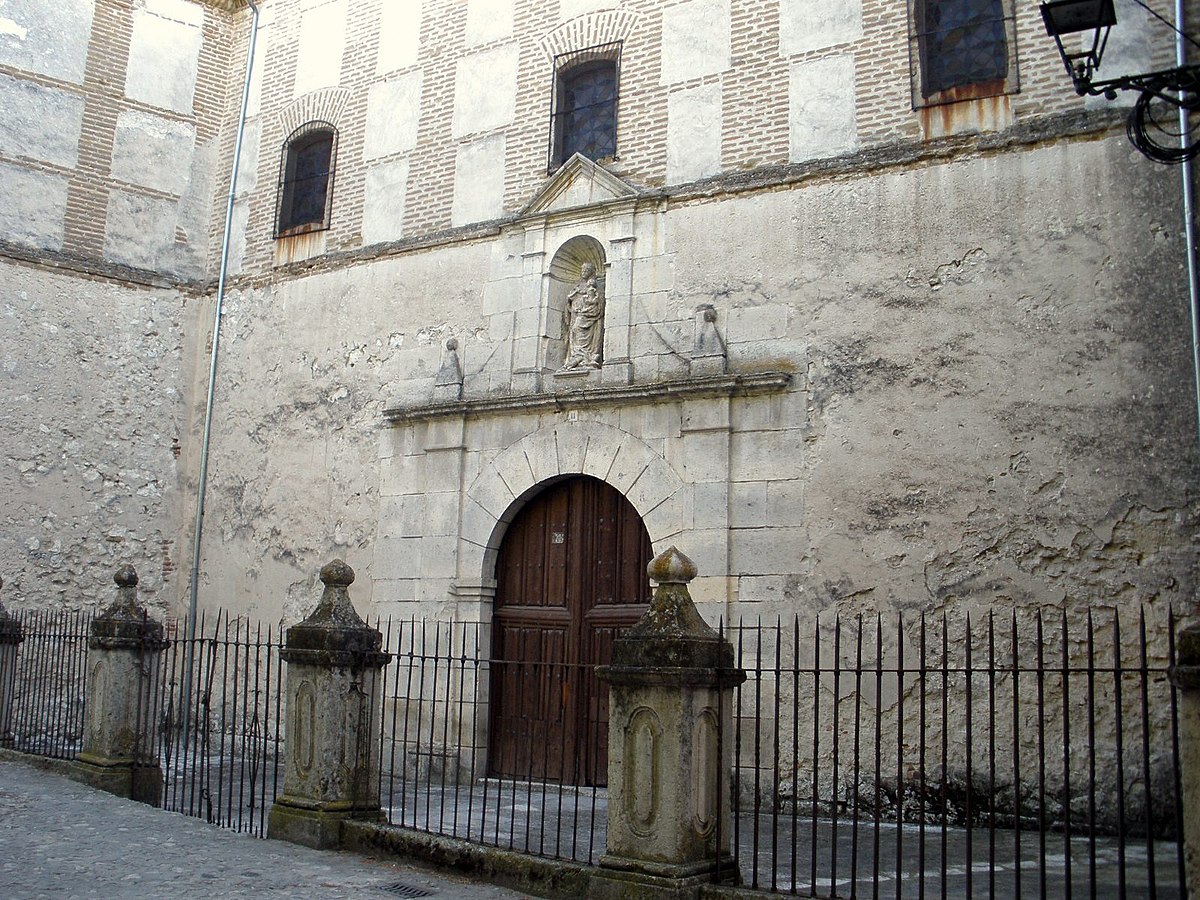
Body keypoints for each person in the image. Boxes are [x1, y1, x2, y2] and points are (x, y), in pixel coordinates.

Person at [561, 262, 604, 369]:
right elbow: (569, 301)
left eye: (586, 270)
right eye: (582, 270)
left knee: (583, 335)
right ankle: (576, 356)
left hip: (588, 317)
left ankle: (586, 357)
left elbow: (599, 303)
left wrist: (588, 306)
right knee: (574, 332)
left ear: (591, 272)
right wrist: (570, 301)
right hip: (576, 315)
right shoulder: (577, 287)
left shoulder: (595, 286)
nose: (583, 272)